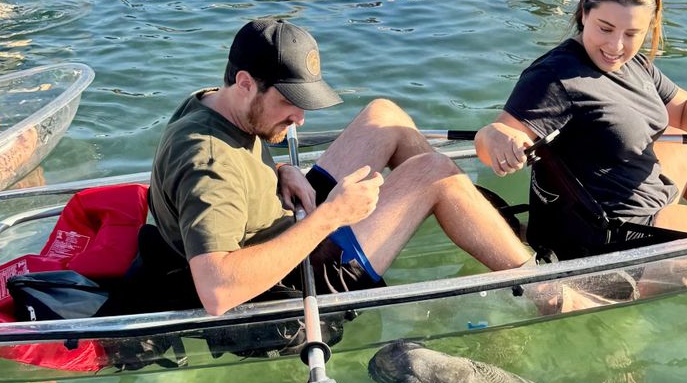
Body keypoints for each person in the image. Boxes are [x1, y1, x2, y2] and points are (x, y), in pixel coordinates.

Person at [146, 17, 531, 316]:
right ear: (245, 83)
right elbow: (217, 293)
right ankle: (546, 289)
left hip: (287, 221)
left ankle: (484, 229)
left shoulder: (213, 103)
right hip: (293, 282)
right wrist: (331, 217)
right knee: (434, 174)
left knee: (384, 116)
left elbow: (232, 171)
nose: (300, 119)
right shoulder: (210, 163)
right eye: (289, 102)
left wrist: (275, 172)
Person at [474, 0, 687, 263]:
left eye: (632, 34)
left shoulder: (636, 65)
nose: (615, 46)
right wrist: (498, 139)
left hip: (643, 198)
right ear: (583, 12)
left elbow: (682, 109)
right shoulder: (554, 76)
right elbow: (500, 132)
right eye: (605, 28)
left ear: (649, 29)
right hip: (619, 233)